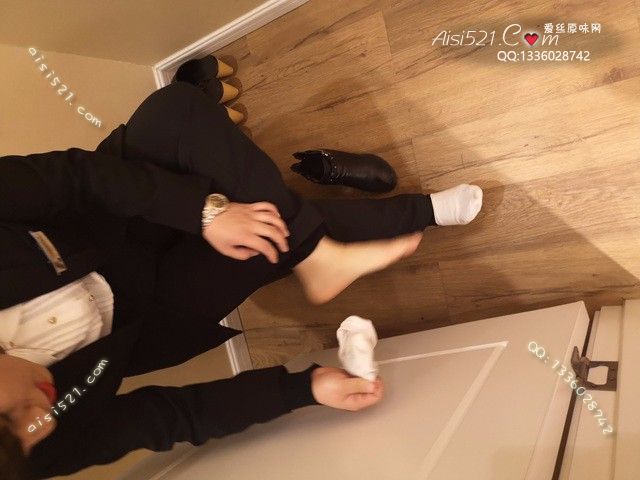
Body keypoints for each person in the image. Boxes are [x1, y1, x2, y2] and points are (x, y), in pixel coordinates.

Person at [0, 57, 483, 479]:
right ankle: (409, 216)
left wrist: (204, 212)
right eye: (29, 443)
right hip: (147, 315)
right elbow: (171, 417)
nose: (42, 416)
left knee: (174, 110)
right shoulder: (37, 442)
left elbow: (78, 178)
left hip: (110, 216)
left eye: (9, 416)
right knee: (267, 236)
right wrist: (305, 388)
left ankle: (320, 253)